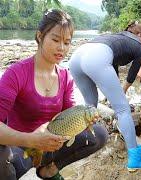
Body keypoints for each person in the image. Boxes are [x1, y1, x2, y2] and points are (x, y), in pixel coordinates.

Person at [0, 9, 108, 180]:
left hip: (50, 145)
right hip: (21, 149)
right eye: (56, 39)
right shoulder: (15, 74)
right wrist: (32, 140)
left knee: (99, 134)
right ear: (40, 36)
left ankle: (49, 169)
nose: (61, 48)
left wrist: (85, 122)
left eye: (67, 42)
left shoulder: (65, 77)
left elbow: (71, 116)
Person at [69, 22, 141, 171]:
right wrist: (122, 93)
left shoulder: (117, 37)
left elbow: (112, 67)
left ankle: (83, 142)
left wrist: (112, 93)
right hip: (97, 58)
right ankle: (135, 160)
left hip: (76, 57)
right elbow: (131, 76)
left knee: (90, 104)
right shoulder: (139, 47)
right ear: (140, 35)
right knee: (123, 110)